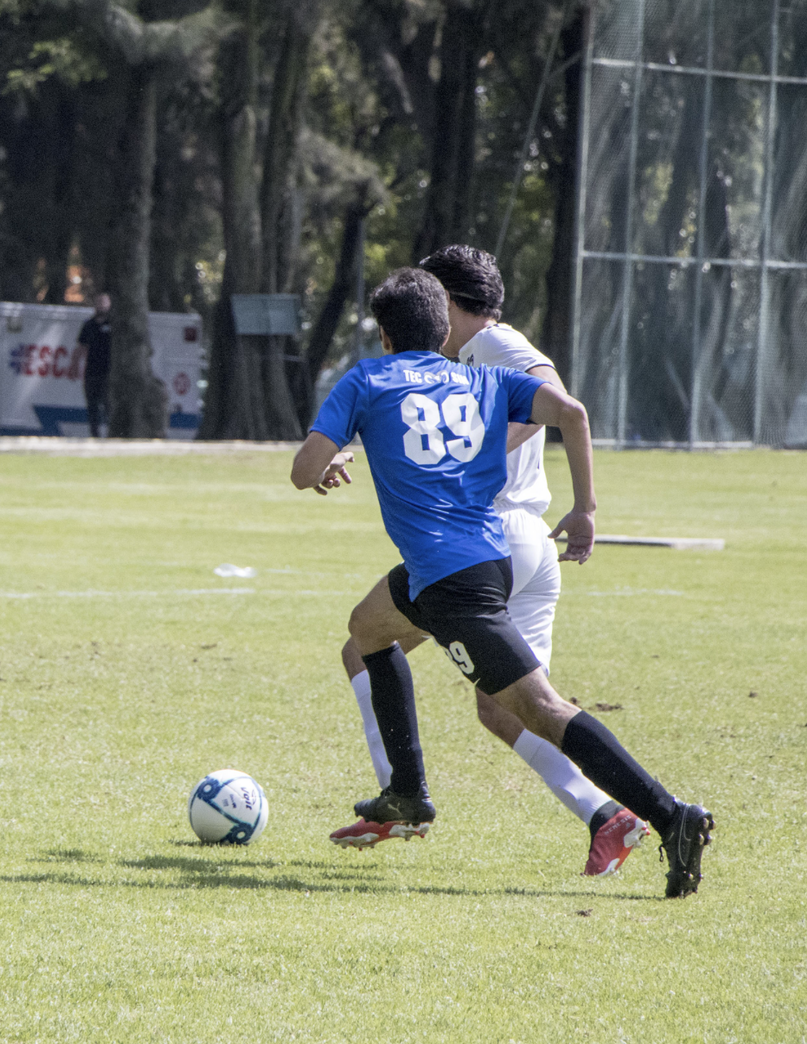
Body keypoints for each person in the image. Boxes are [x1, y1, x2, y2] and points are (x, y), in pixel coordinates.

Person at [290, 267, 713, 898]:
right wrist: (585, 508)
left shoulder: (368, 380)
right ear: (442, 330)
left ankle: (671, 815)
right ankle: (406, 791)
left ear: (382, 334)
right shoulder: (481, 379)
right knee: (367, 629)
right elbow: (571, 411)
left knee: (538, 709)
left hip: (454, 583)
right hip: (485, 559)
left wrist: (329, 464)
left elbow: (303, 471)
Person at [77, 292, 111, 438]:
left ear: (109, 304)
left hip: (109, 374)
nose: (101, 305)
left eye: (104, 302)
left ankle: (113, 435)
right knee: (92, 407)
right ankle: (94, 435)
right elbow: (81, 347)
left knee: (109, 406)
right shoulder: (88, 325)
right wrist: (74, 366)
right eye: (98, 302)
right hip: (91, 373)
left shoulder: (114, 325)